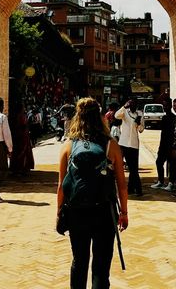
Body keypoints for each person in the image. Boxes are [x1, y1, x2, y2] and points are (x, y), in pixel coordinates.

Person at [57, 97, 128, 289]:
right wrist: (124, 213)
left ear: (77, 118)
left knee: (79, 261)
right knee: (101, 265)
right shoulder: (110, 145)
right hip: (104, 211)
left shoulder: (69, 145)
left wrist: (59, 213)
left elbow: (61, 186)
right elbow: (121, 184)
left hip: (76, 211)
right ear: (100, 117)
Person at [115, 98, 144, 196]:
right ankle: (136, 189)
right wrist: (124, 106)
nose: (132, 107)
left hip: (134, 144)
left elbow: (141, 129)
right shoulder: (125, 113)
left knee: (133, 168)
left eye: (134, 105)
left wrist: (139, 123)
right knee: (126, 167)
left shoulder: (139, 114)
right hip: (124, 144)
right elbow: (116, 115)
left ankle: (133, 189)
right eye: (131, 105)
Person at [150, 97, 175, 190]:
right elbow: (163, 133)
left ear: (170, 105)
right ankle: (161, 181)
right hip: (163, 144)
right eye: (164, 105)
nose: (165, 107)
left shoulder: (173, 118)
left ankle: (171, 183)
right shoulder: (164, 117)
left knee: (171, 164)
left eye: (166, 105)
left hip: (170, 145)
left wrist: (173, 146)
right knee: (159, 162)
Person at [9, 101, 34, 175]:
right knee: (22, 152)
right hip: (22, 136)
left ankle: (17, 168)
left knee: (18, 152)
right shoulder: (21, 115)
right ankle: (21, 168)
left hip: (19, 135)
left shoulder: (16, 115)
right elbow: (23, 124)